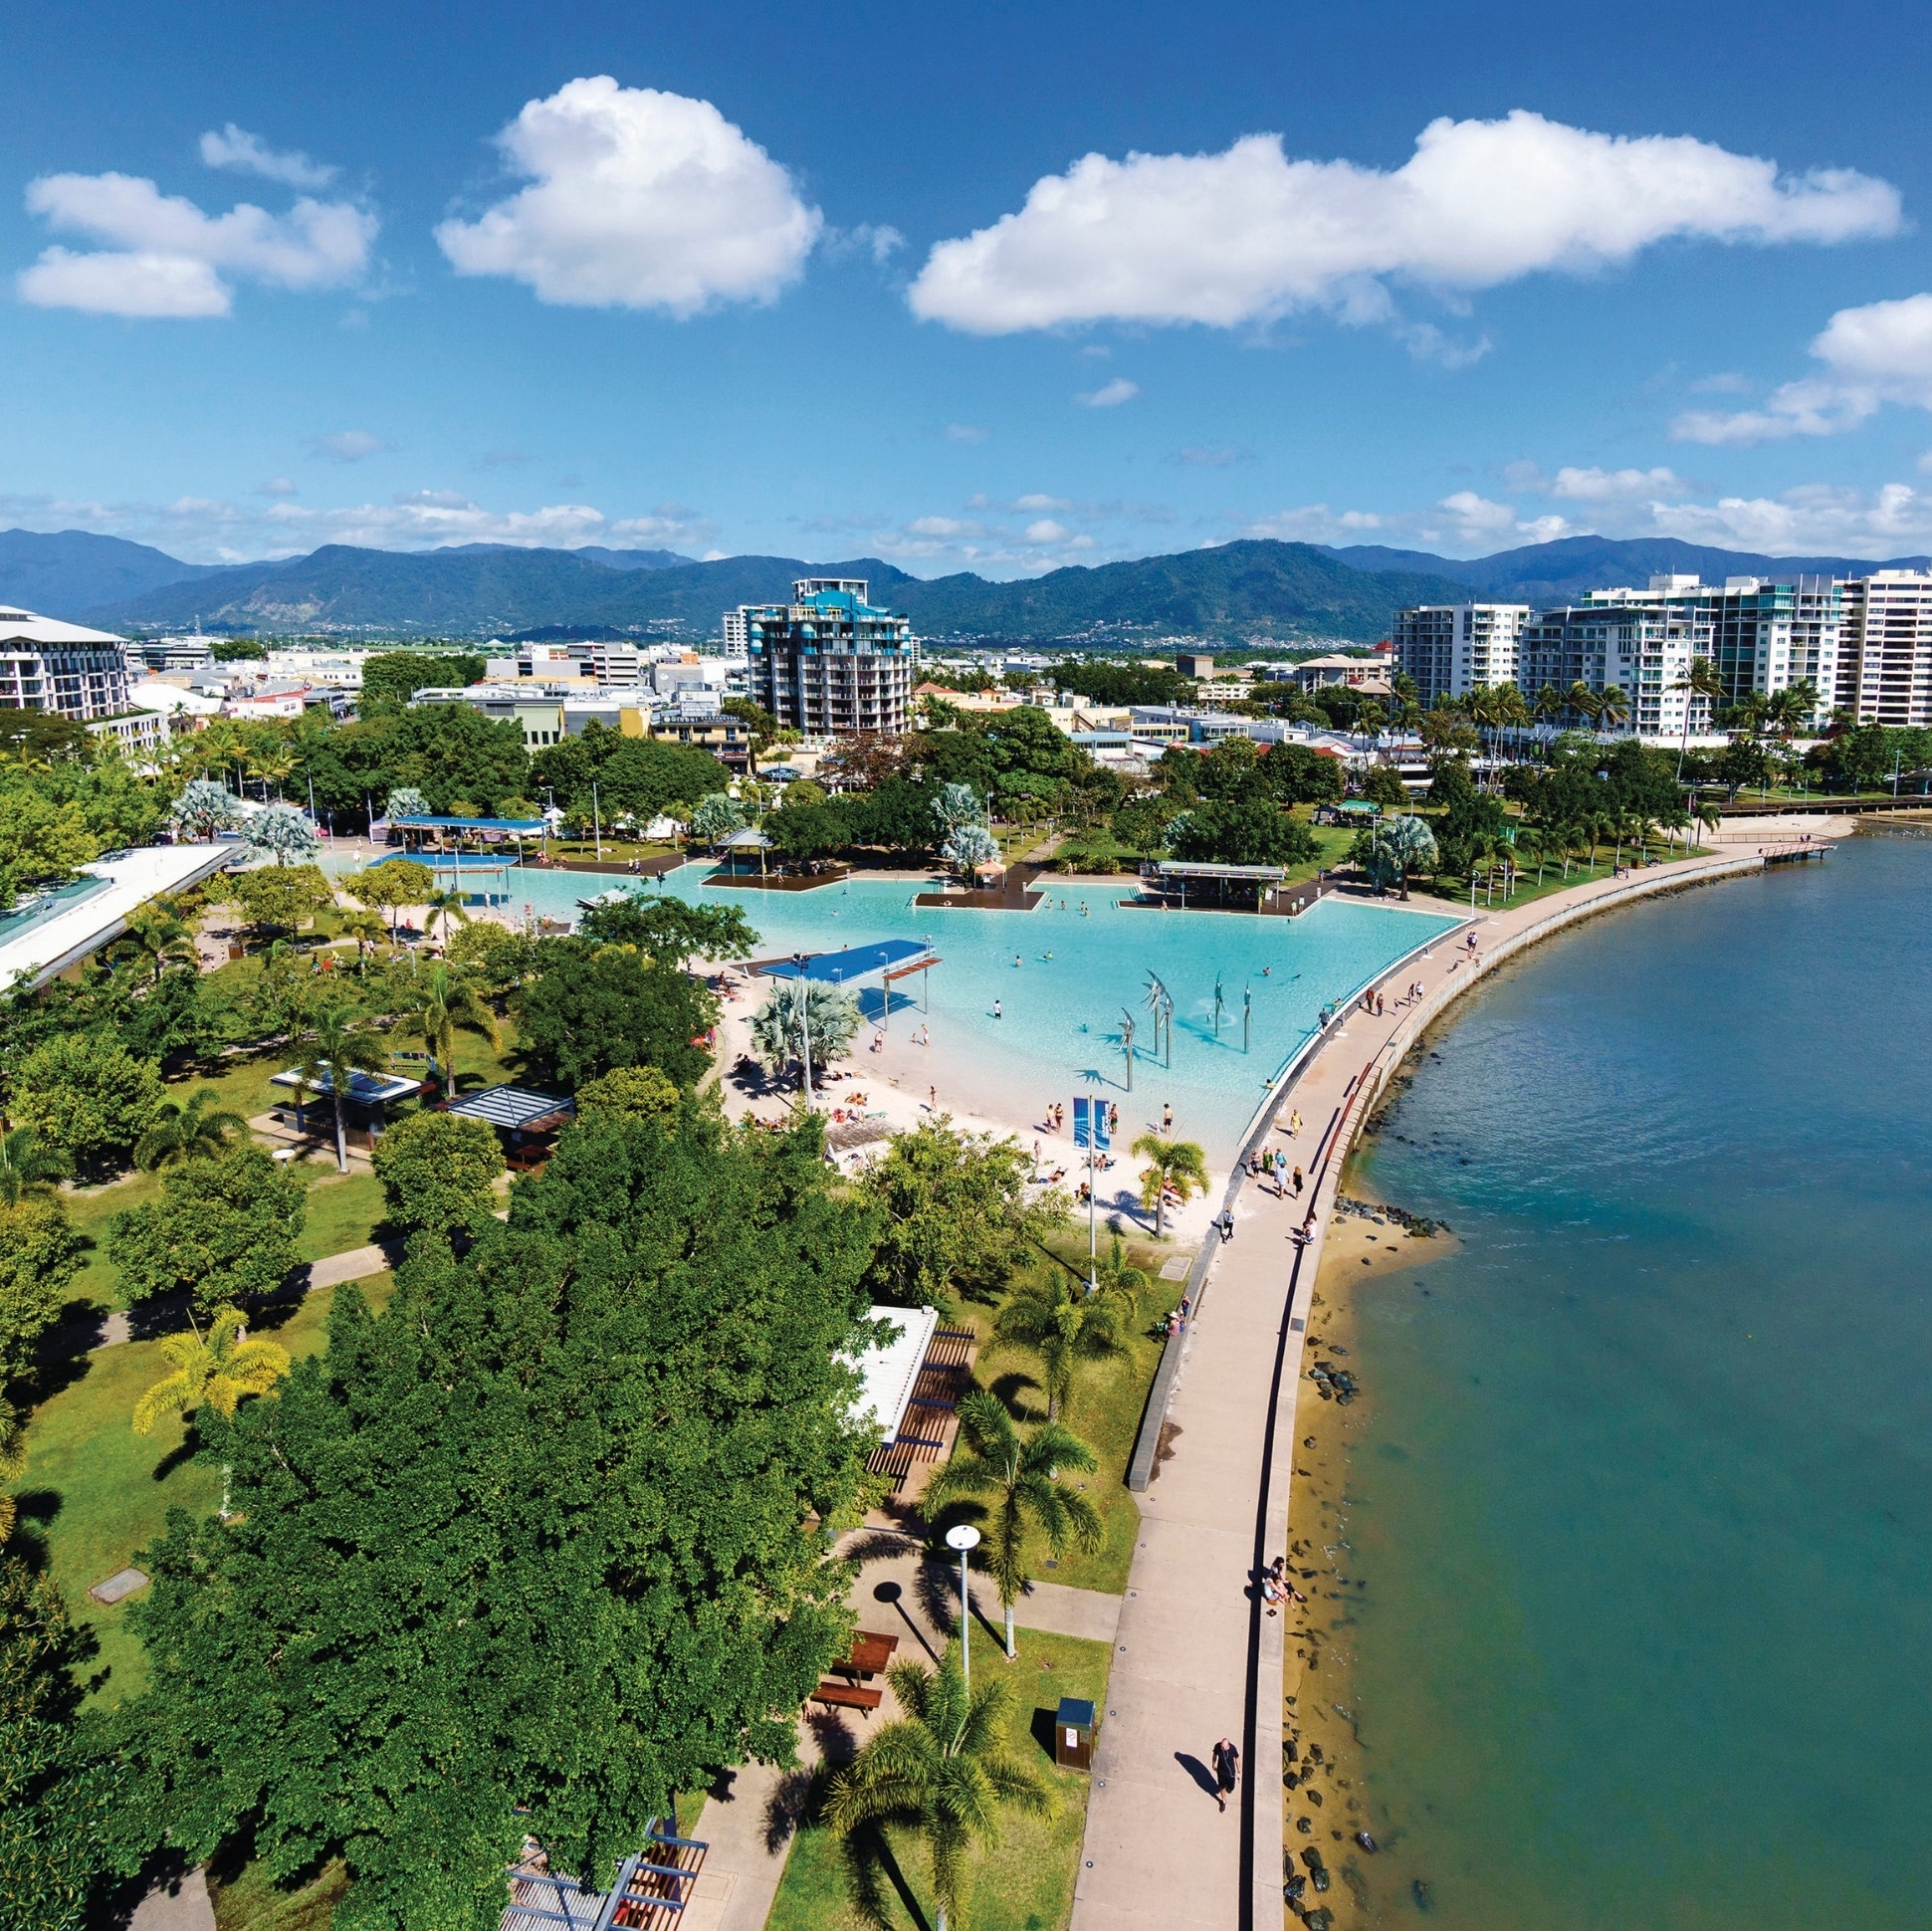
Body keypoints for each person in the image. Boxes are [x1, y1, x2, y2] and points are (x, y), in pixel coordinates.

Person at [1212, 1737, 1238, 1812]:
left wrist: (1239, 1772)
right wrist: (1214, 1764)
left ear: (1228, 1746)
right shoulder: (1218, 1747)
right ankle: (1223, 1801)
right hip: (1221, 1772)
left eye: (1223, 1747)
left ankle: (1229, 1788)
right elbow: (1215, 1755)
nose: (1221, 1748)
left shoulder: (1233, 1749)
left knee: (1231, 1788)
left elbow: (1237, 1758)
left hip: (1230, 1773)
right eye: (1221, 1746)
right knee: (1221, 1787)